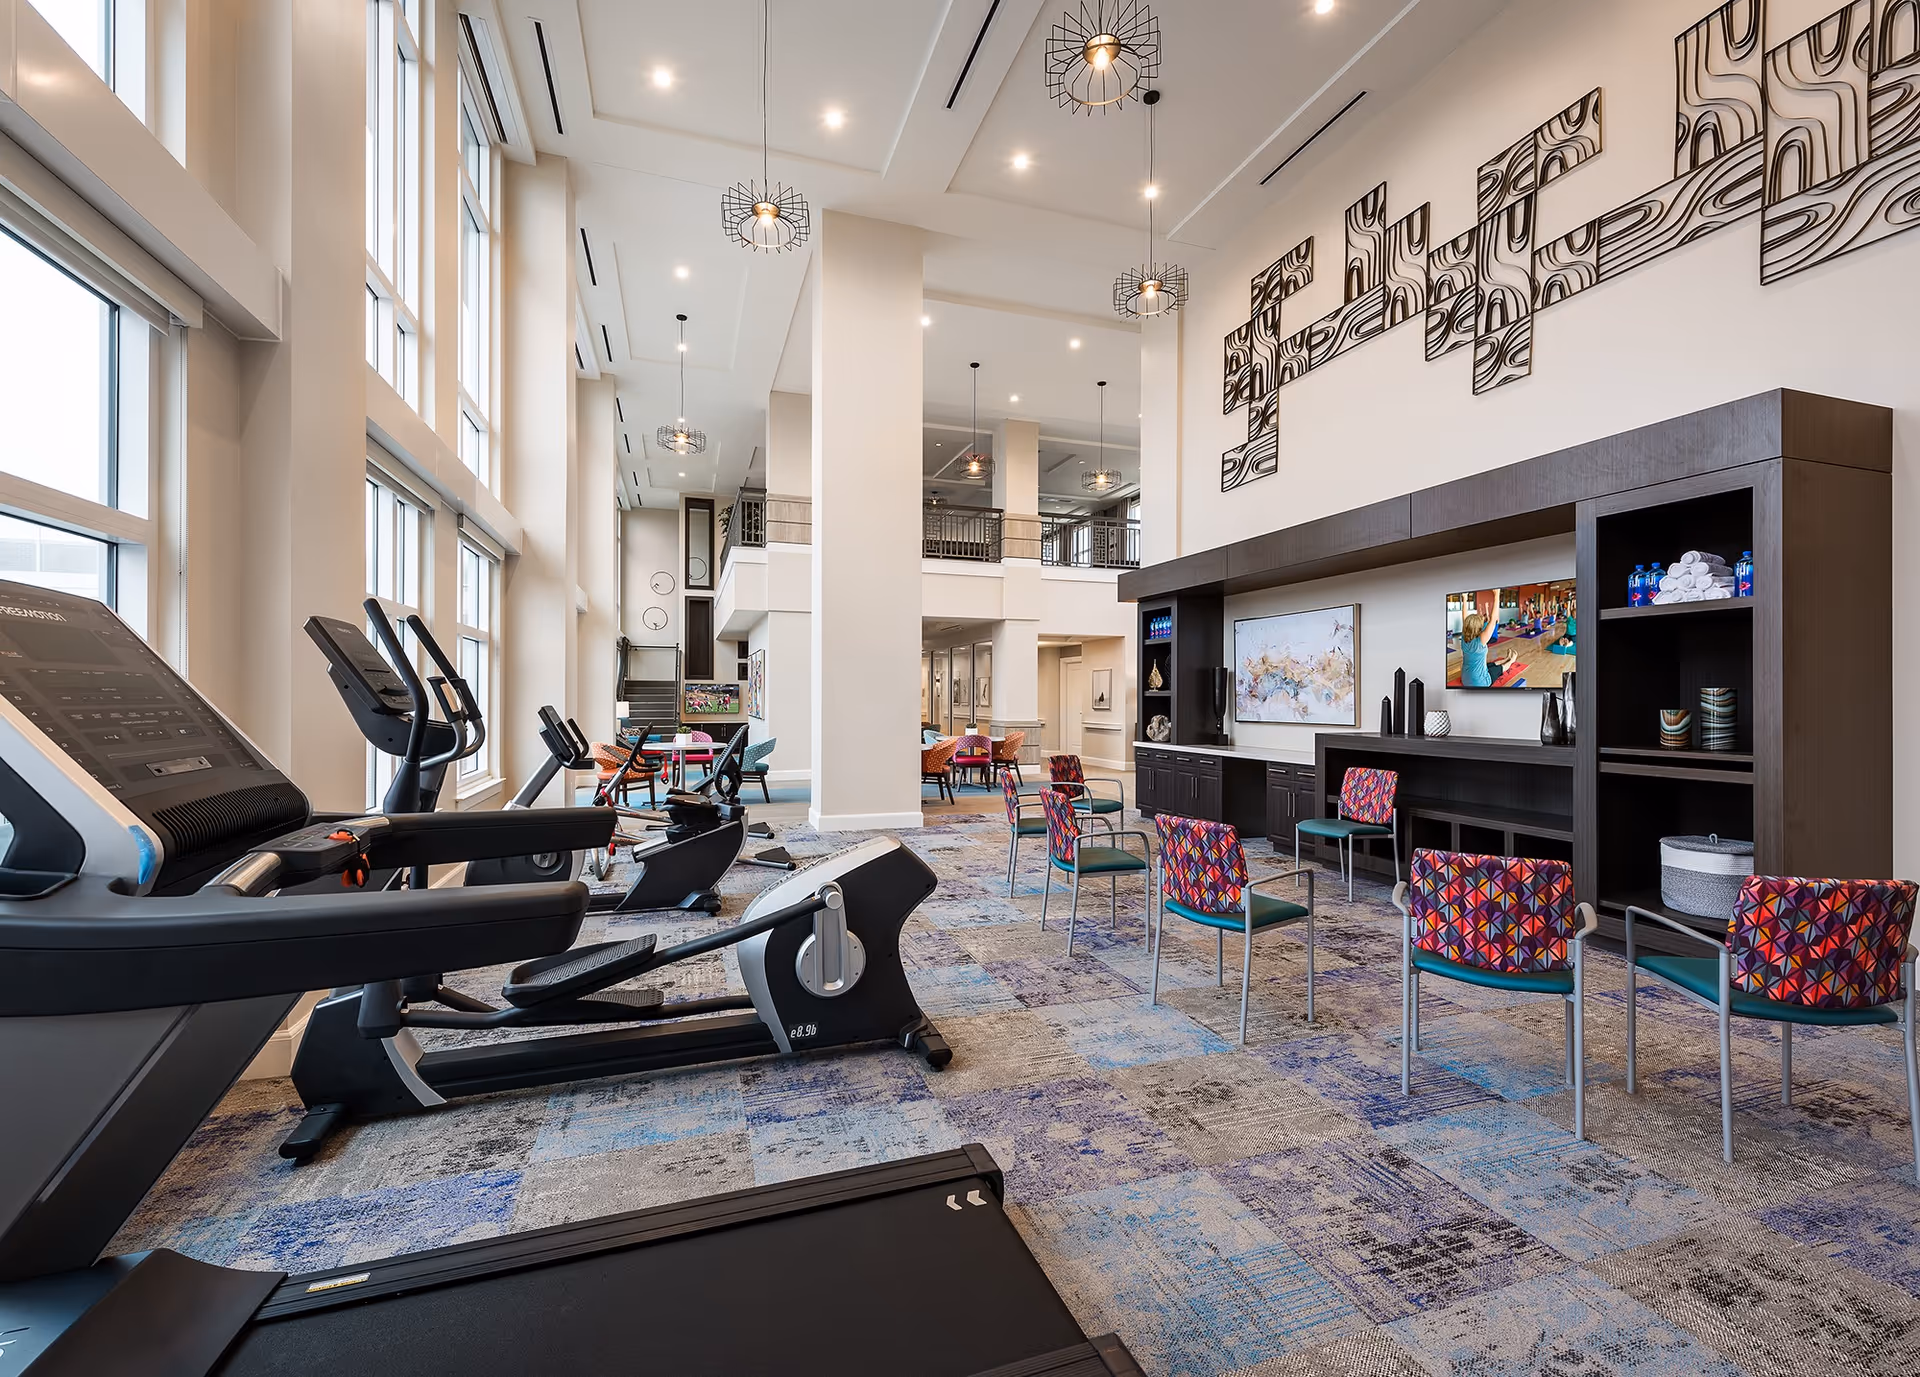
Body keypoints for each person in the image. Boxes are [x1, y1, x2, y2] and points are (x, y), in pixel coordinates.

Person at [1459, 610, 1516, 687]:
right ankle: (1512, 660)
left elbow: (1464, 619)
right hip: (1479, 683)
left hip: (1465, 679)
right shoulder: (1480, 640)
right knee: (1500, 668)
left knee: (1489, 665)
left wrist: (1465, 599)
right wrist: (1496, 598)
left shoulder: (1464, 638)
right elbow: (1493, 620)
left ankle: (1506, 659)